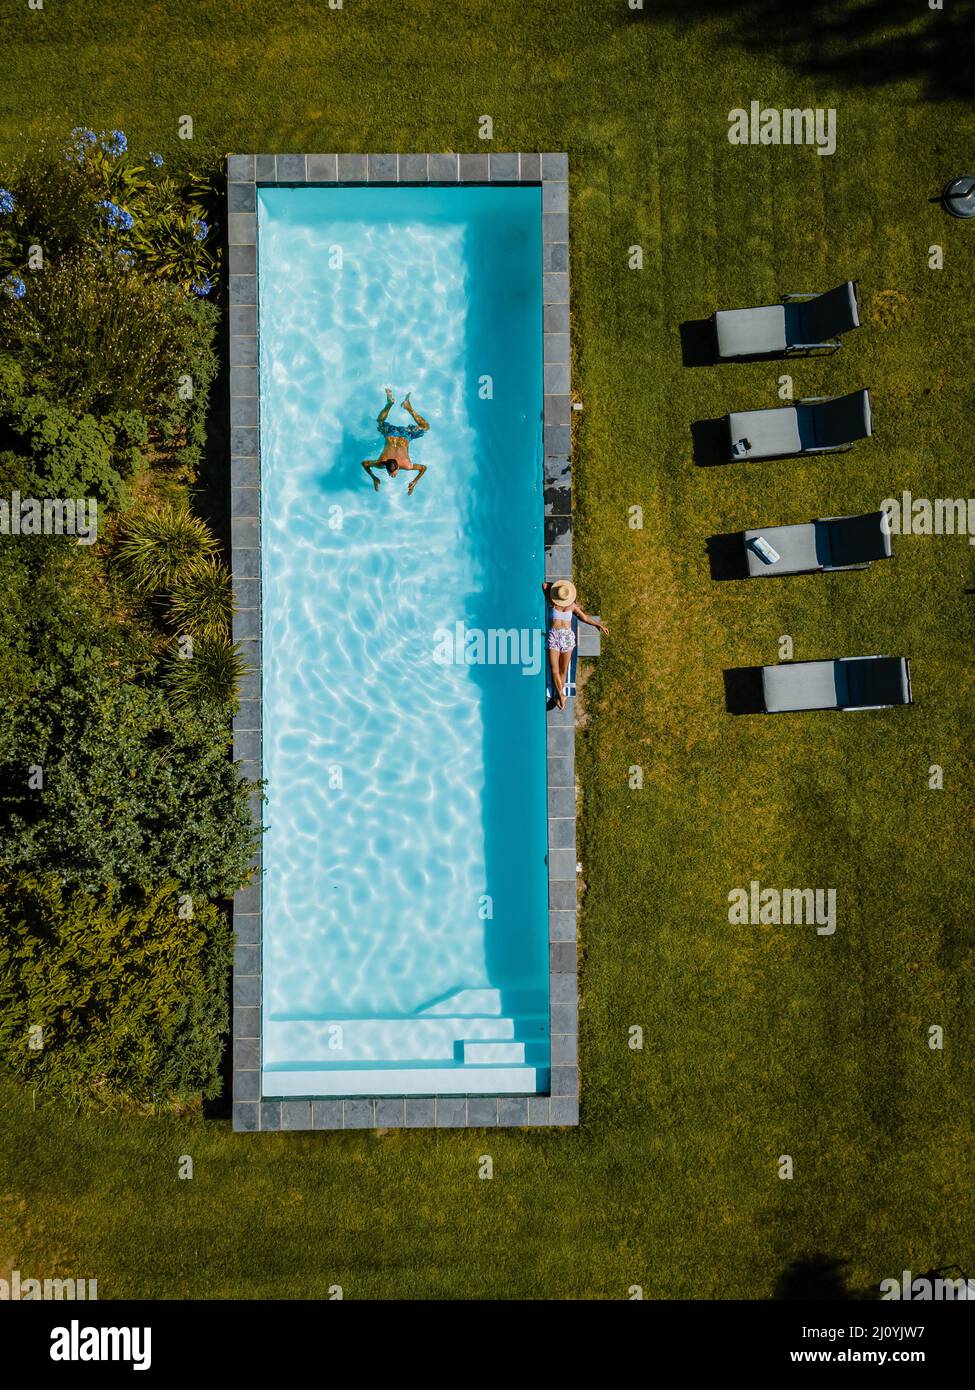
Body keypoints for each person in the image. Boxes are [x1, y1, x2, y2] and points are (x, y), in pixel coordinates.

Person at [542, 579, 609, 710]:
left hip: (565, 637)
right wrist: (557, 590)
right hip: (555, 637)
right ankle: (561, 695)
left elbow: (584, 617)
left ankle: (557, 695)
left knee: (562, 669)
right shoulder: (553, 602)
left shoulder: (567, 605)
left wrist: (598, 625)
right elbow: (544, 585)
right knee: (554, 669)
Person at [361, 388, 430, 494]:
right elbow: (364, 463)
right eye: (390, 473)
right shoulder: (382, 462)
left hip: (403, 435)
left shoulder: (406, 465)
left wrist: (415, 481)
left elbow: (423, 468)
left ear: (398, 466)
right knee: (425, 426)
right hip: (395, 434)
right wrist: (374, 477)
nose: (392, 475)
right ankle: (399, 405)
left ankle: (396, 405)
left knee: (425, 427)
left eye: (392, 472)